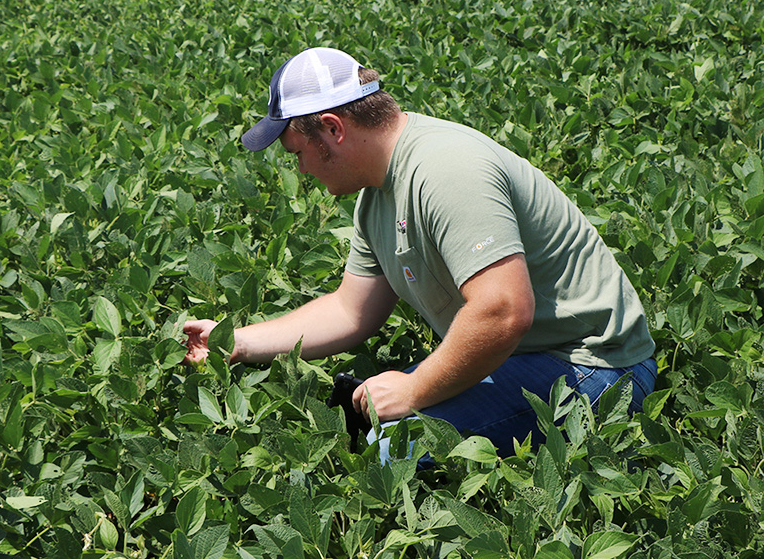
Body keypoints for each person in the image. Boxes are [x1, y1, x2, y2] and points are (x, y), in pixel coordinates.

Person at [183, 46, 656, 455]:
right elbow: (350, 312)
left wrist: (413, 389)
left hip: (594, 366)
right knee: (358, 413)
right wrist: (237, 342)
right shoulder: (376, 196)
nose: (301, 169)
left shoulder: (446, 170)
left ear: (333, 129)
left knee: (390, 453)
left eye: (297, 152)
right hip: (523, 355)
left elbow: (504, 311)